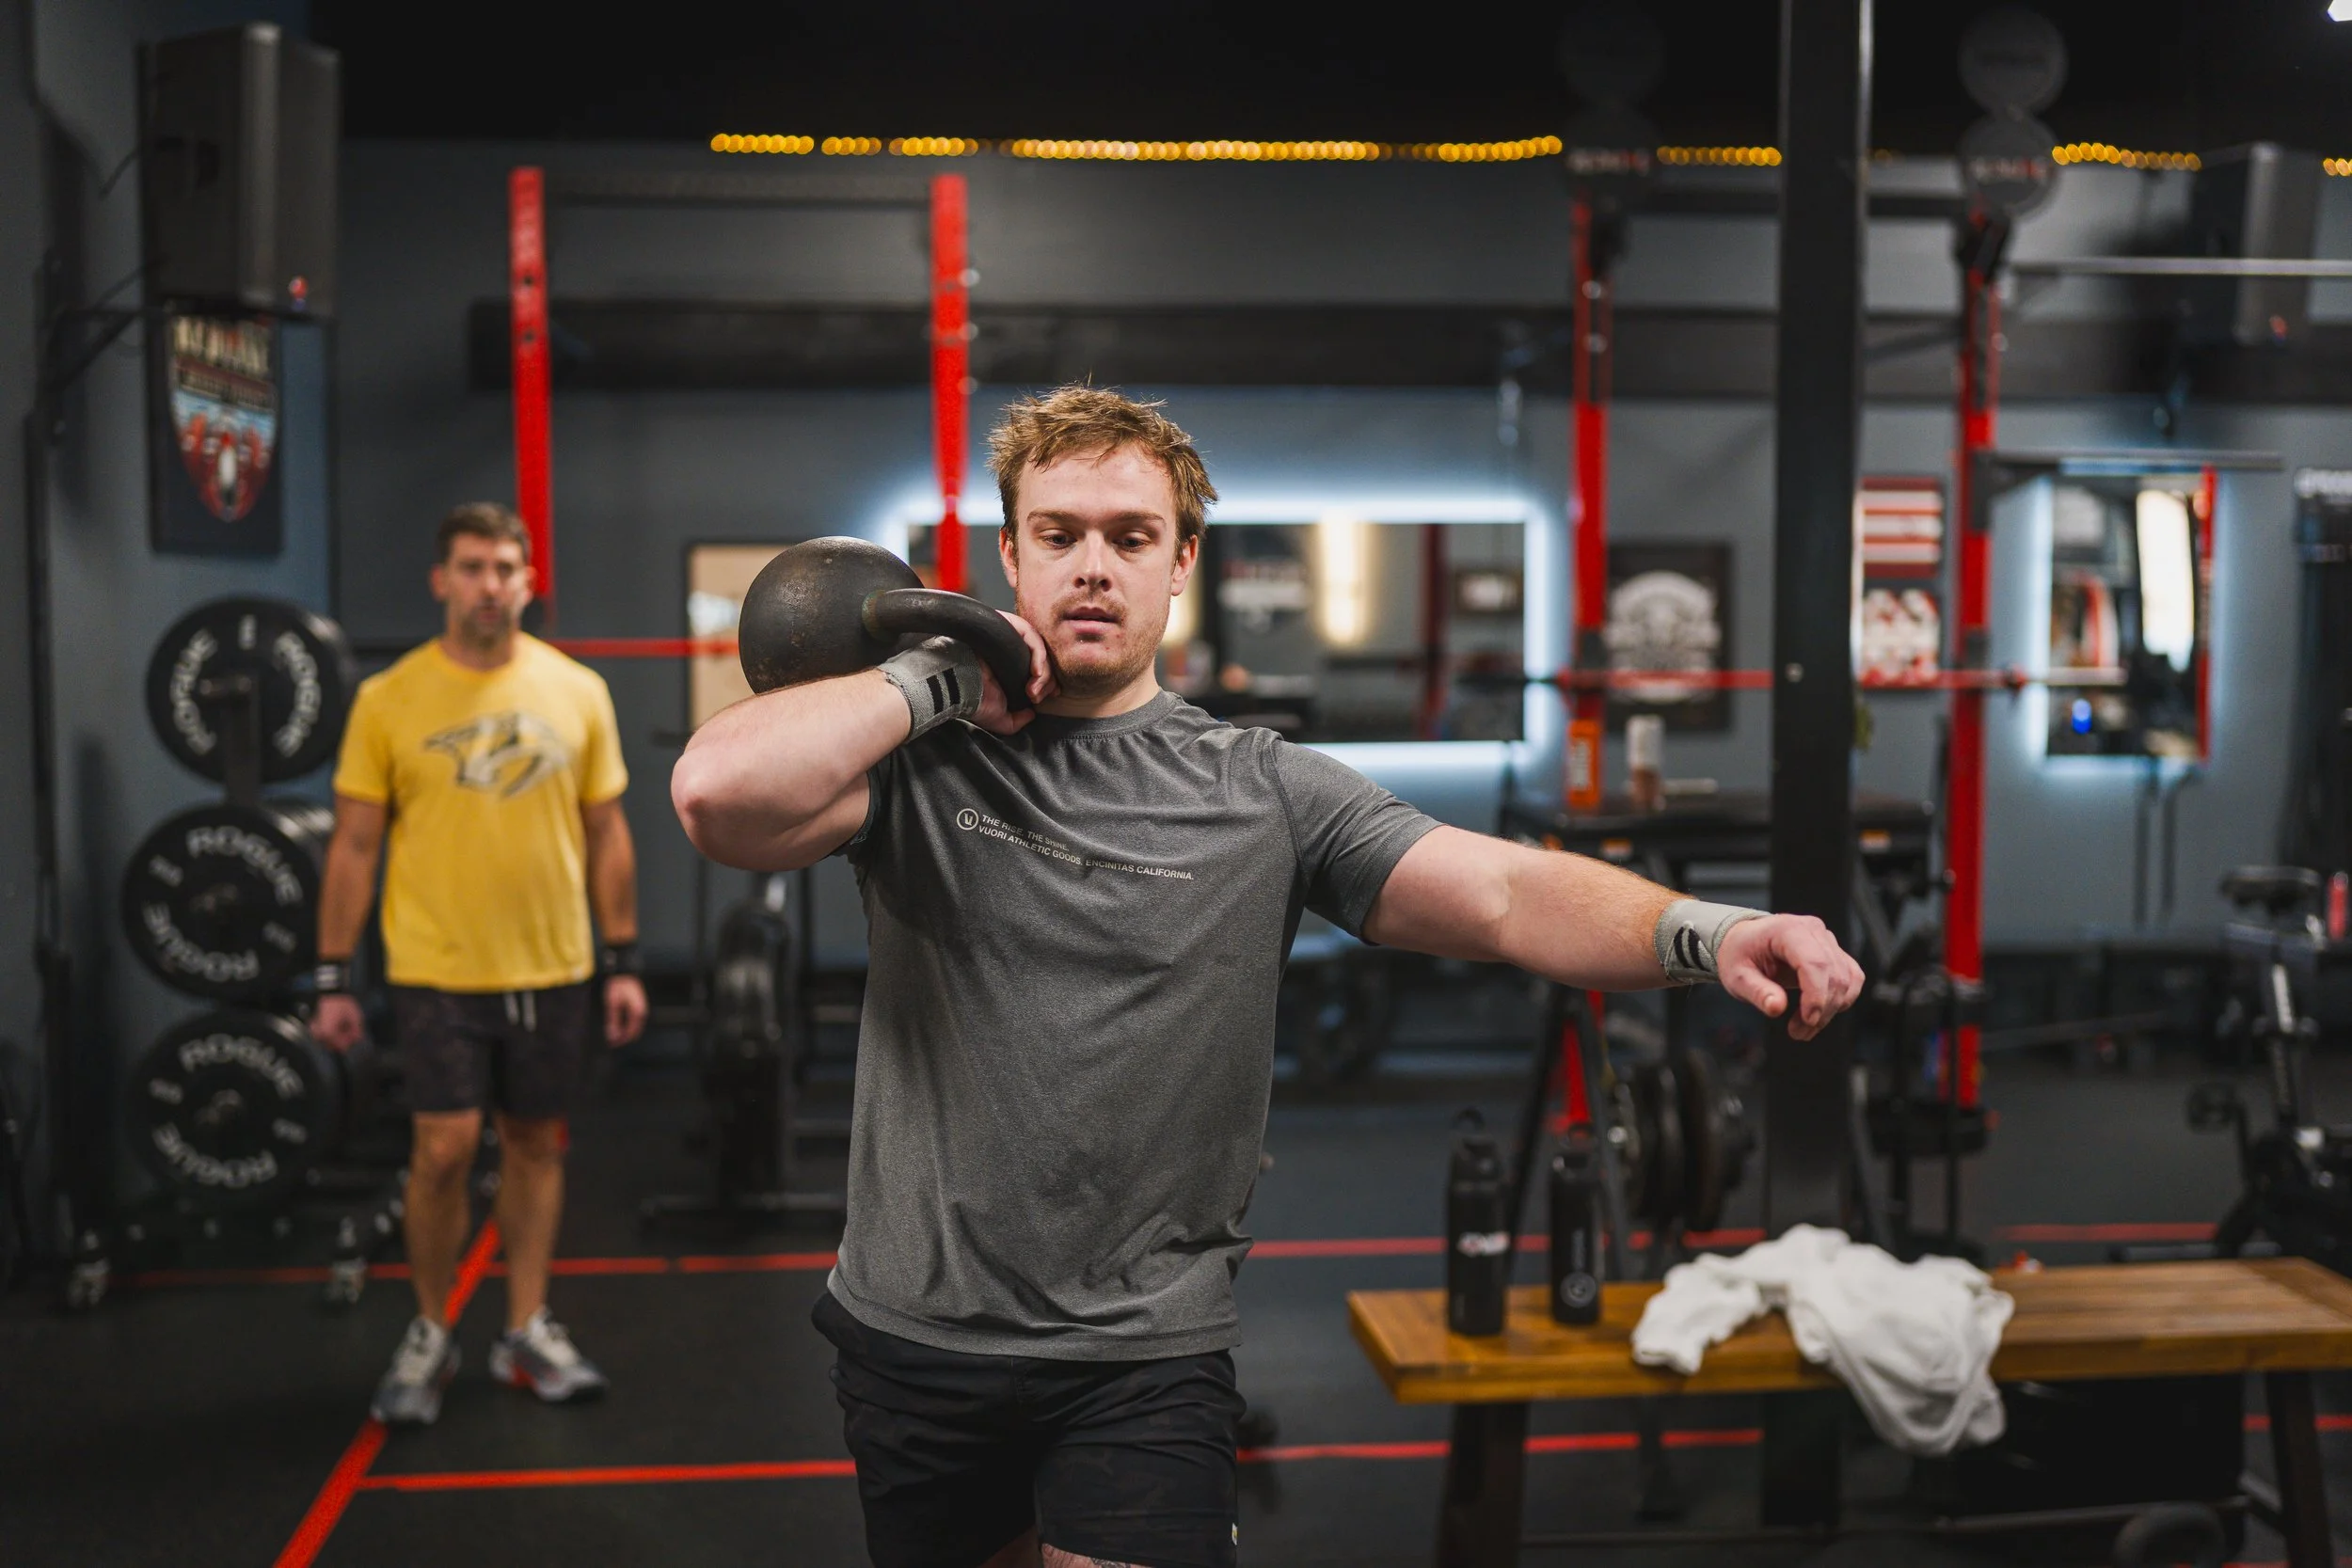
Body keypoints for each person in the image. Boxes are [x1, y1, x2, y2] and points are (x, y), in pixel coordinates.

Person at [671, 388, 1865, 1568]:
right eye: (1059, 534)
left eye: (1131, 536)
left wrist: (1711, 928)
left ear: (1181, 559)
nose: (1094, 567)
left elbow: (1505, 892)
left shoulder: (1263, 789)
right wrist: (932, 678)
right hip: (915, 1335)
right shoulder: (924, 765)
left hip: (1140, 1350)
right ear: (1010, 556)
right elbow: (716, 794)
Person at [311, 501, 650, 1426]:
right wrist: (332, 974)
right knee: (445, 1148)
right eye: (471, 567)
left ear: (527, 581)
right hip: (435, 967)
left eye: (504, 567)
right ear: (441, 580)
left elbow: (608, 832)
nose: (489, 584)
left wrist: (623, 957)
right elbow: (353, 845)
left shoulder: (577, 690)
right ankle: (431, 1327)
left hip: (552, 964)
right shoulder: (389, 698)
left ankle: (525, 1324)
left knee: (535, 1144)